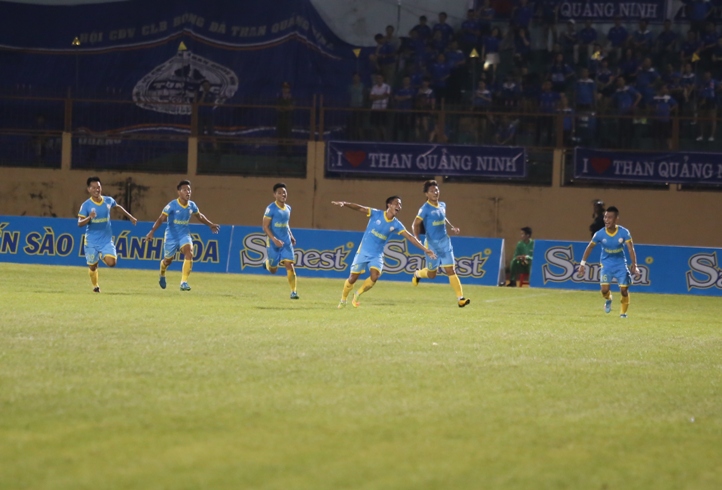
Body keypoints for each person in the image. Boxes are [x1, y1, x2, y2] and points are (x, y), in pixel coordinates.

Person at [332, 196, 436, 308]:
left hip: (376, 255)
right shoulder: (376, 214)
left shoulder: (396, 224)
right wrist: (345, 203)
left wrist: (425, 249)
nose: (399, 206)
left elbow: (410, 237)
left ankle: (357, 294)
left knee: (375, 276)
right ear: (389, 205)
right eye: (396, 203)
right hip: (363, 252)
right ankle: (343, 300)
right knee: (352, 278)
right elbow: (360, 208)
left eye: (400, 205)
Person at [144, 180, 220, 291]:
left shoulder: (192, 205)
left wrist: (210, 224)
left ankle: (183, 282)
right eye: (185, 190)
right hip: (171, 236)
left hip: (184, 235)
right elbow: (161, 218)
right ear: (179, 192)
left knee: (189, 253)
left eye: (189, 189)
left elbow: (199, 216)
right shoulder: (172, 205)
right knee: (168, 261)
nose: (188, 192)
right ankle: (162, 271)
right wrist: (152, 231)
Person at [410, 180, 471, 307]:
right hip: (432, 245)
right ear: (426, 194)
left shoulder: (442, 205)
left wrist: (452, 227)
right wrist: (417, 239)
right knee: (432, 274)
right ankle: (417, 273)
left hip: (445, 242)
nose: (435, 192)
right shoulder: (424, 209)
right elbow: (415, 224)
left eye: (436, 190)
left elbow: (442, 216)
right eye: (432, 191)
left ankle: (461, 299)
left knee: (451, 270)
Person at [77, 176, 138, 293]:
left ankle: (101, 255)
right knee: (92, 267)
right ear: (89, 189)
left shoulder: (108, 200)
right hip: (91, 242)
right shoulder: (86, 205)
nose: (97, 189)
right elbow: (79, 223)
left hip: (105, 240)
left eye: (98, 187)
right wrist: (90, 217)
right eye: (94, 187)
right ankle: (95, 286)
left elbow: (117, 207)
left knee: (112, 262)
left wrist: (130, 217)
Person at [578, 206, 639, 318]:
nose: (606, 220)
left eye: (610, 217)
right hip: (606, 264)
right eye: (605, 217)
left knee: (624, 290)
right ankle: (609, 299)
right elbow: (590, 247)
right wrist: (582, 264)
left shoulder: (624, 232)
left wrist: (635, 265)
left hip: (621, 264)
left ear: (616, 219)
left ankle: (623, 313)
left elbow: (631, 249)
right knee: (604, 290)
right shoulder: (600, 234)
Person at [262, 183, 299, 299]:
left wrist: (291, 236)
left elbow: (286, 224)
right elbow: (265, 227)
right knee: (273, 270)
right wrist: (274, 239)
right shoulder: (270, 209)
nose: (283, 194)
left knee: (289, 265)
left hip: (286, 242)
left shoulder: (288, 208)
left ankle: (294, 292)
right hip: (273, 242)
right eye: (280, 193)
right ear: (274, 195)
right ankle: (268, 263)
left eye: (284, 192)